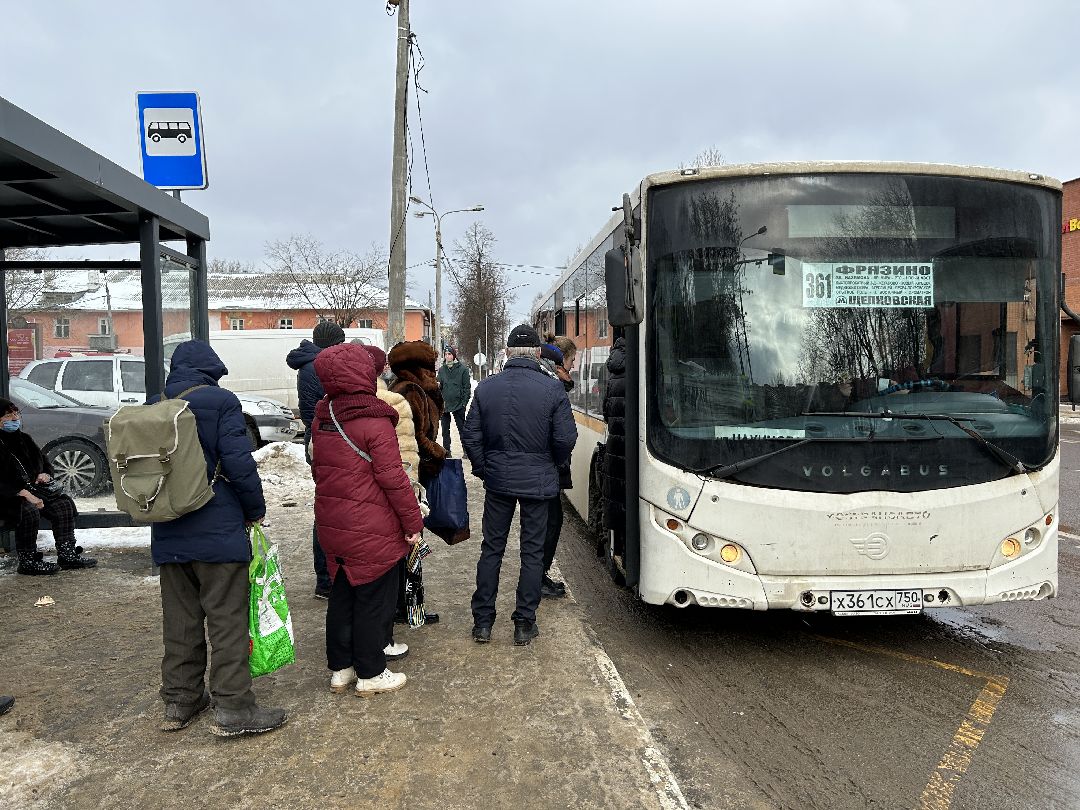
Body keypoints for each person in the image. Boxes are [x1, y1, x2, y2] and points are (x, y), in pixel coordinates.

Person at [151, 340, 286, 737]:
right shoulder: (221, 402)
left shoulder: (155, 404)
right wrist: (255, 509)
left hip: (169, 530)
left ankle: (180, 700)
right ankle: (233, 707)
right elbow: (239, 464)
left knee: (180, 620)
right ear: (212, 369)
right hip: (218, 530)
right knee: (226, 619)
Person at [311, 343, 424, 696]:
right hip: (370, 525)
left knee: (342, 595)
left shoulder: (323, 414)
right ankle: (372, 672)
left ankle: (341, 669)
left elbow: (320, 470)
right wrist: (412, 524)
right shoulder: (374, 419)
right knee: (374, 599)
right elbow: (393, 478)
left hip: (332, 522)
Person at [462, 324, 577, 646]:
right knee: (532, 552)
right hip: (538, 481)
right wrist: (550, 465)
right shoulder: (552, 389)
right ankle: (524, 624)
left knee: (491, 549)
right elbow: (565, 437)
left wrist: (486, 468)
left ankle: (482, 623)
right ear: (539, 354)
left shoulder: (486, 388)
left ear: (508, 352)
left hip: (498, 481)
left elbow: (471, 435)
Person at [361, 343, 419, 660]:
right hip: (386, 506)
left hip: (348, 509)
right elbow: (404, 467)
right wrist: (414, 508)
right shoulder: (393, 403)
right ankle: (383, 640)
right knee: (387, 575)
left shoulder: (328, 406)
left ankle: (347, 657)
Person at [0, 398, 96, 575]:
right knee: (27, 510)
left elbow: (43, 461)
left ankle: (67, 554)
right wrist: (23, 494)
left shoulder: (24, 439)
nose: (14, 418)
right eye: (8, 415)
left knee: (62, 505)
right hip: (7, 497)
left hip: (34, 489)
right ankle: (27, 561)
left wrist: (45, 473)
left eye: (16, 413)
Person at [387, 340, 446, 625]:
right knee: (410, 542)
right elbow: (415, 437)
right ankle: (409, 609)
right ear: (419, 369)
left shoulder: (406, 388)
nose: (434, 373)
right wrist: (438, 454)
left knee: (409, 544)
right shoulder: (411, 392)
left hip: (412, 474)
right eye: (429, 368)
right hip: (412, 476)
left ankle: (409, 607)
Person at [286, 320, 346, 600]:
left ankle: (327, 576)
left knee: (326, 506)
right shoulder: (320, 366)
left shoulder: (307, 364)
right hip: (326, 440)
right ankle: (325, 578)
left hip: (316, 439)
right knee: (328, 510)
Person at [540, 336, 578, 599]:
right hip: (548, 469)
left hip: (545, 468)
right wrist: (560, 460)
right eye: (572, 360)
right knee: (550, 523)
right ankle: (537, 578)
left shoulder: (551, 384)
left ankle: (538, 576)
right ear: (560, 362)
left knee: (547, 523)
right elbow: (561, 436)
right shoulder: (553, 387)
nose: (573, 366)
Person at [603, 332, 627, 563]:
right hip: (631, 446)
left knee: (617, 500)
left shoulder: (613, 368)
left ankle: (618, 549)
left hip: (615, 443)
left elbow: (606, 412)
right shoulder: (640, 363)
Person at [436, 347, 472, 456]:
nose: (448, 356)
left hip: (458, 404)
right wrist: (437, 385)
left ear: (454, 355)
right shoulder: (442, 370)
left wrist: (464, 403)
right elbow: (439, 385)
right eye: (446, 354)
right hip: (445, 404)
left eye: (450, 354)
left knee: (462, 430)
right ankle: (447, 451)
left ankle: (466, 451)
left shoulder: (463, 370)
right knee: (445, 431)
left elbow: (467, 388)